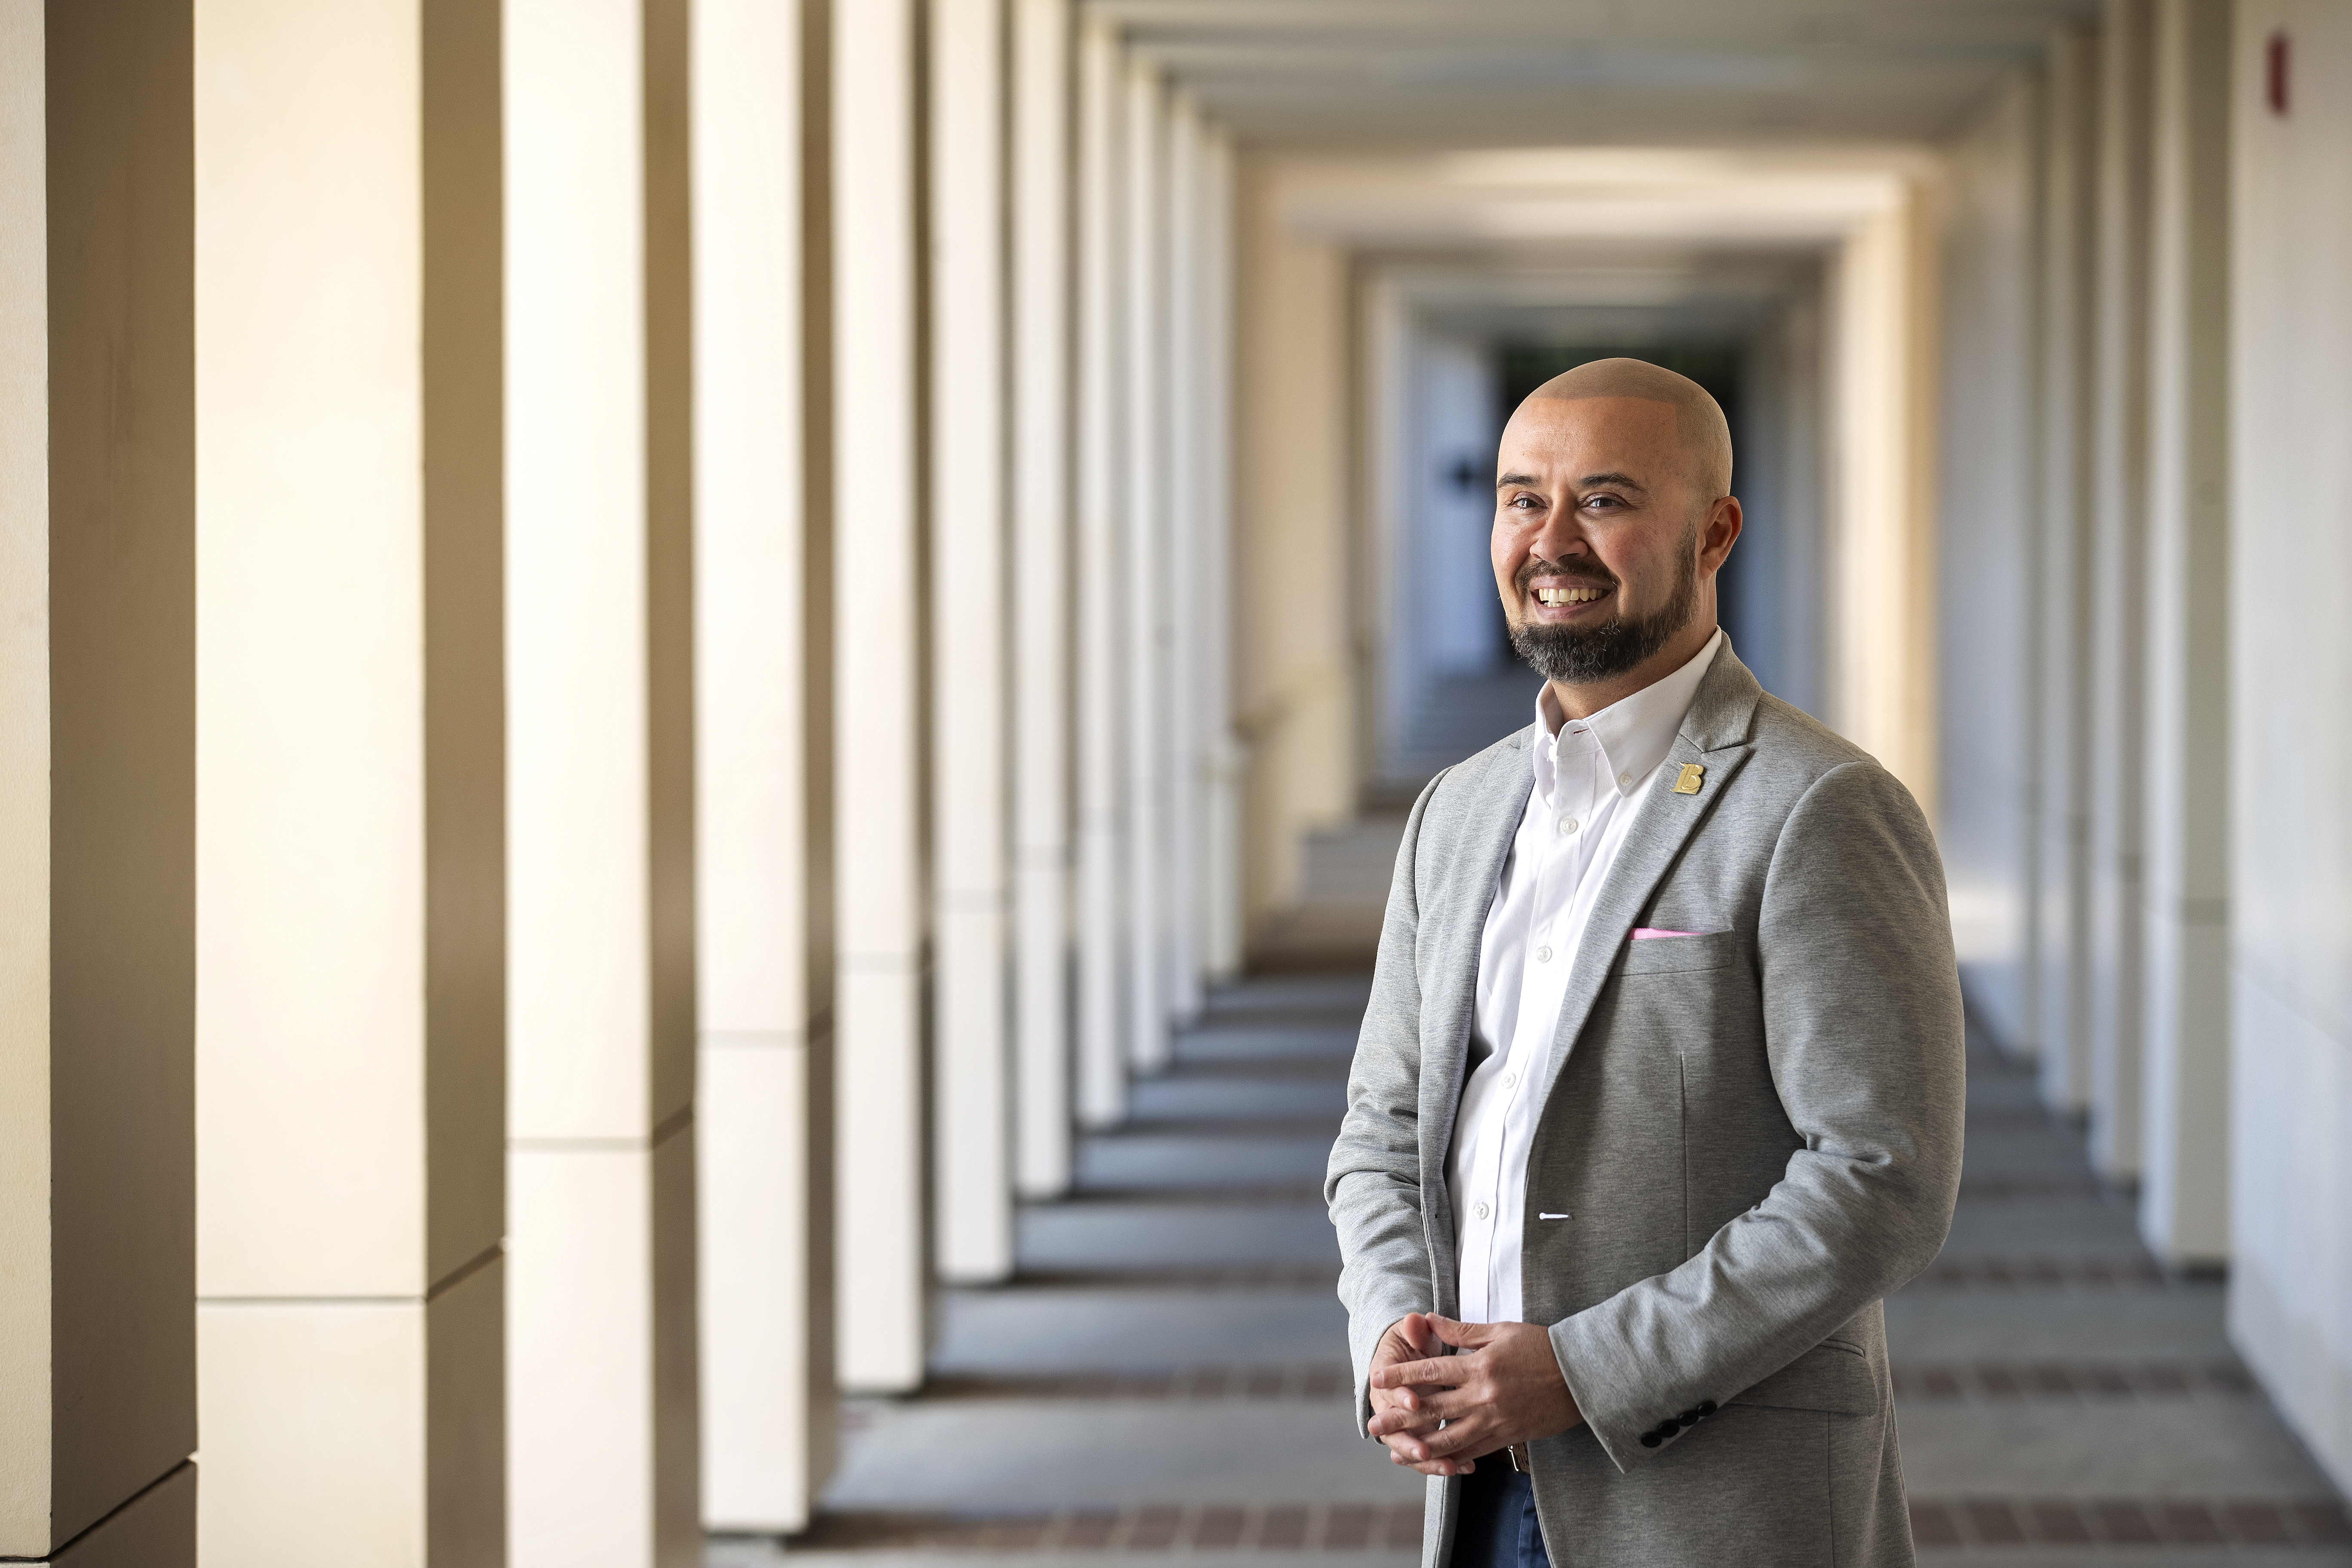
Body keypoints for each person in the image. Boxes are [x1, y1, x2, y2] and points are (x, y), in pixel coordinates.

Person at [1326, 358, 1964, 1568]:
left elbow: (1883, 1180)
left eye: (1605, 500)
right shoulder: (1456, 814)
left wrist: (1580, 1372)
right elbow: (1384, 1122)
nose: (1552, 540)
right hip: (1477, 1490)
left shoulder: (1817, 807)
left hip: (1717, 1498)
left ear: (1715, 531)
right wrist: (1389, 1335)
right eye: (1523, 499)